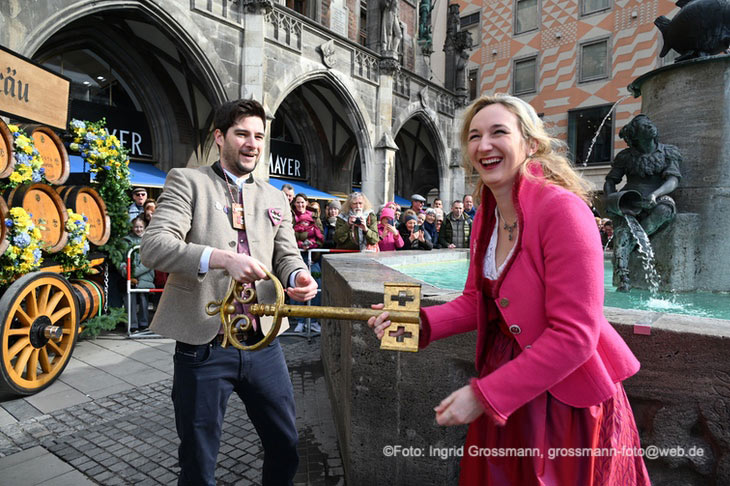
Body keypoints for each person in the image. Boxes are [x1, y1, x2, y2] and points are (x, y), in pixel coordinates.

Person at [368, 94, 650, 485]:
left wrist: (484, 395)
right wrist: (417, 323)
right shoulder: (487, 212)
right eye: (474, 136)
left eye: (499, 132)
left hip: (565, 399)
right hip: (506, 383)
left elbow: (575, 336)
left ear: (530, 144)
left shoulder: (563, 209)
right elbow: (476, 301)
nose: (484, 145)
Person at [140, 99, 318, 486]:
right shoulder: (188, 181)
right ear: (220, 137)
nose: (252, 143)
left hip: (263, 343)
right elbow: (154, 247)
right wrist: (222, 258)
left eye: (258, 136)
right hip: (204, 346)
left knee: (286, 446)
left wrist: (300, 274)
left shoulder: (274, 197)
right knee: (198, 462)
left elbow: (286, 254)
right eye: (242, 134)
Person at [603, 114, 682, 292]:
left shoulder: (668, 152)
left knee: (665, 210)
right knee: (622, 229)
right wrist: (612, 199)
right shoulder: (625, 156)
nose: (650, 127)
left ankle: (632, 243)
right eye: (643, 127)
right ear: (635, 136)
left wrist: (655, 194)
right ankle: (623, 277)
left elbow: (673, 180)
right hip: (629, 198)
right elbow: (611, 181)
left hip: (657, 195)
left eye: (649, 124)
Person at [119, 216, 154, 332]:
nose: (138, 229)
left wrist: (134, 273)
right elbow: (120, 259)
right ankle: (132, 324)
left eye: (140, 227)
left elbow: (149, 261)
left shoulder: (149, 240)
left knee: (143, 298)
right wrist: (126, 272)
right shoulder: (125, 241)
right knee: (130, 299)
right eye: (136, 227)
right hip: (129, 275)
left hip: (145, 274)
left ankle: (143, 323)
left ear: (144, 227)